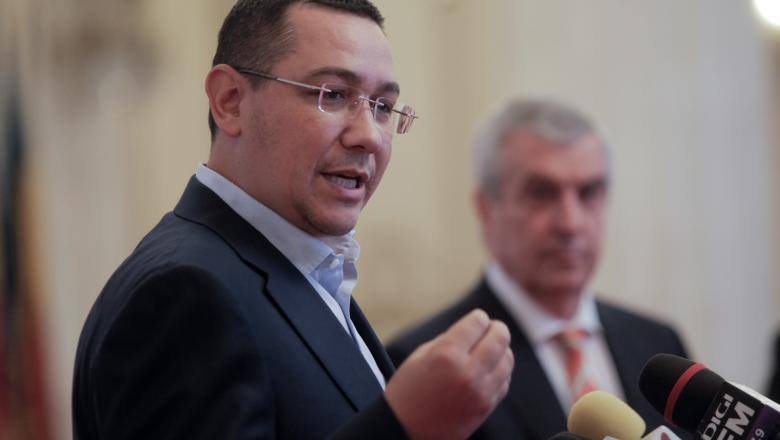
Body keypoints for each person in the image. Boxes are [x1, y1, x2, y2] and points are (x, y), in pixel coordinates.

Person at [72, 1, 514, 439]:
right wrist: (404, 427)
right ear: (230, 101)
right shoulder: (184, 294)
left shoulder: (305, 271)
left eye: (383, 106)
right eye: (333, 94)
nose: (368, 136)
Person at [387, 99, 688, 440]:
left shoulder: (658, 344)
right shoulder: (428, 364)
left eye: (589, 192)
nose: (571, 223)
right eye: (541, 194)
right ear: (486, 209)